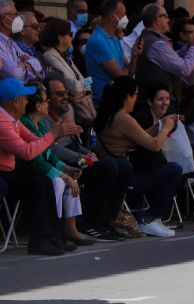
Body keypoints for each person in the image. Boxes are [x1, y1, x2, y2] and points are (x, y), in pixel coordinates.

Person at [42, 75, 132, 244]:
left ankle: (106, 222)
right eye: (59, 94)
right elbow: (52, 149)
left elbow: (73, 144)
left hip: (75, 159)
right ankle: (92, 224)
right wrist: (83, 157)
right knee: (108, 168)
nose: (65, 97)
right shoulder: (43, 119)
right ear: (47, 98)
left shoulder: (61, 117)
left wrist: (89, 154)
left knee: (124, 166)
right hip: (63, 163)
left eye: (66, 93)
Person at [0, 77, 80, 255]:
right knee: (37, 184)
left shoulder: (13, 120)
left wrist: (56, 135)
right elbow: (27, 151)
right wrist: (53, 134)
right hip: (3, 173)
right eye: (25, 98)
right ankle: (40, 240)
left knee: (42, 181)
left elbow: (34, 140)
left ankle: (52, 236)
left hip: (8, 170)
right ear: (16, 101)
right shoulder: (2, 122)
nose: (28, 101)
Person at [94, 77, 183, 237]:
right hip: (125, 178)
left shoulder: (109, 115)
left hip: (118, 173)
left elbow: (139, 137)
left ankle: (150, 219)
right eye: (134, 95)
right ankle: (151, 219)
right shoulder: (123, 118)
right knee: (174, 169)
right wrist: (165, 129)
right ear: (125, 97)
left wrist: (159, 125)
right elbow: (154, 145)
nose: (136, 99)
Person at [19, 82, 87, 247]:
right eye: (46, 101)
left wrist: (67, 169)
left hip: (41, 168)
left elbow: (49, 154)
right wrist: (63, 175)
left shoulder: (41, 124)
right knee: (56, 181)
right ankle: (53, 230)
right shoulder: (26, 123)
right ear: (37, 105)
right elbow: (37, 161)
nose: (48, 103)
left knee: (69, 179)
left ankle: (70, 229)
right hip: (29, 171)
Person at [135, 3, 194, 109]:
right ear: (157, 20)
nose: (168, 20)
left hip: (155, 103)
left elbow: (172, 59)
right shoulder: (157, 44)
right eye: (165, 16)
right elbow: (184, 69)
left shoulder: (148, 38)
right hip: (158, 106)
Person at [39, 18, 95, 128]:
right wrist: (84, 86)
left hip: (83, 104)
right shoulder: (49, 56)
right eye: (69, 34)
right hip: (71, 108)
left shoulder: (66, 56)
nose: (72, 37)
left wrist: (83, 86)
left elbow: (87, 82)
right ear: (60, 38)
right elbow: (73, 86)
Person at [85, 0, 140, 107]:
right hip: (104, 102)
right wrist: (127, 69)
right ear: (112, 17)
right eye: (123, 15)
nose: (125, 18)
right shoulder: (98, 41)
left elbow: (128, 72)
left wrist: (134, 56)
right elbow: (120, 77)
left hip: (118, 99)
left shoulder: (113, 38)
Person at [0, 0, 42, 83]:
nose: (18, 18)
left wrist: (24, 65)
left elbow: (38, 65)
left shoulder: (10, 42)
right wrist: (29, 67)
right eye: (15, 14)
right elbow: (14, 76)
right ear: (4, 19)